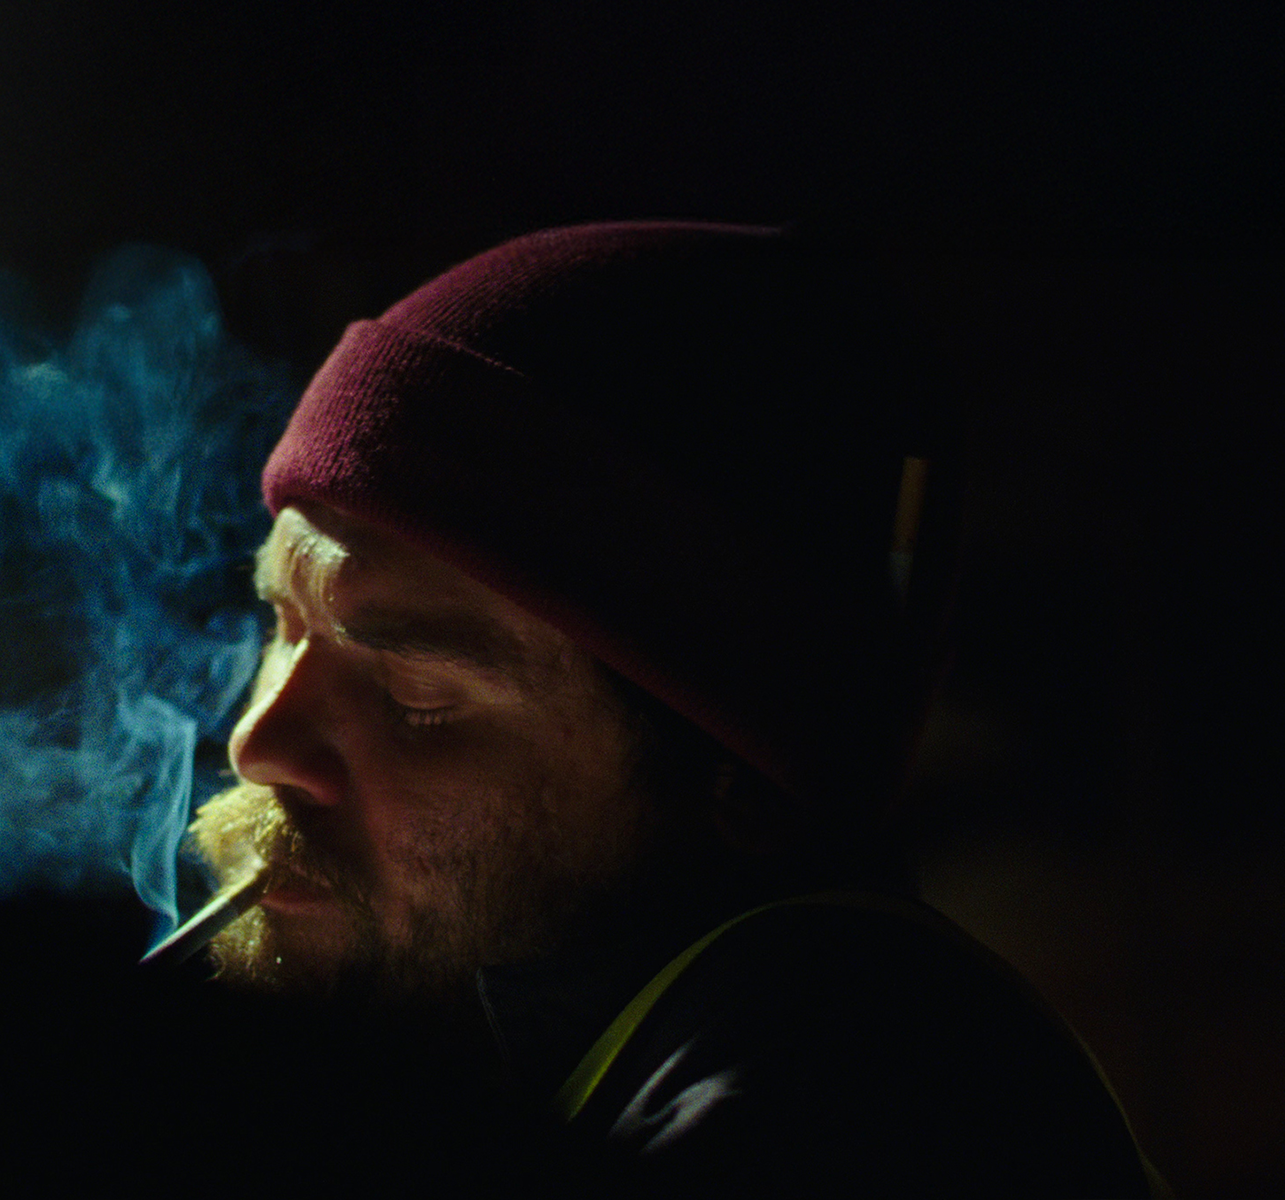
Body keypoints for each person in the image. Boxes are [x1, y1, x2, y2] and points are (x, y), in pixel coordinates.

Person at [188, 221, 1160, 1195]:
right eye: (283, 624)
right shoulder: (528, 1079)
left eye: (416, 694)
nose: (258, 743)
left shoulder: (867, 1103)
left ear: (730, 782)